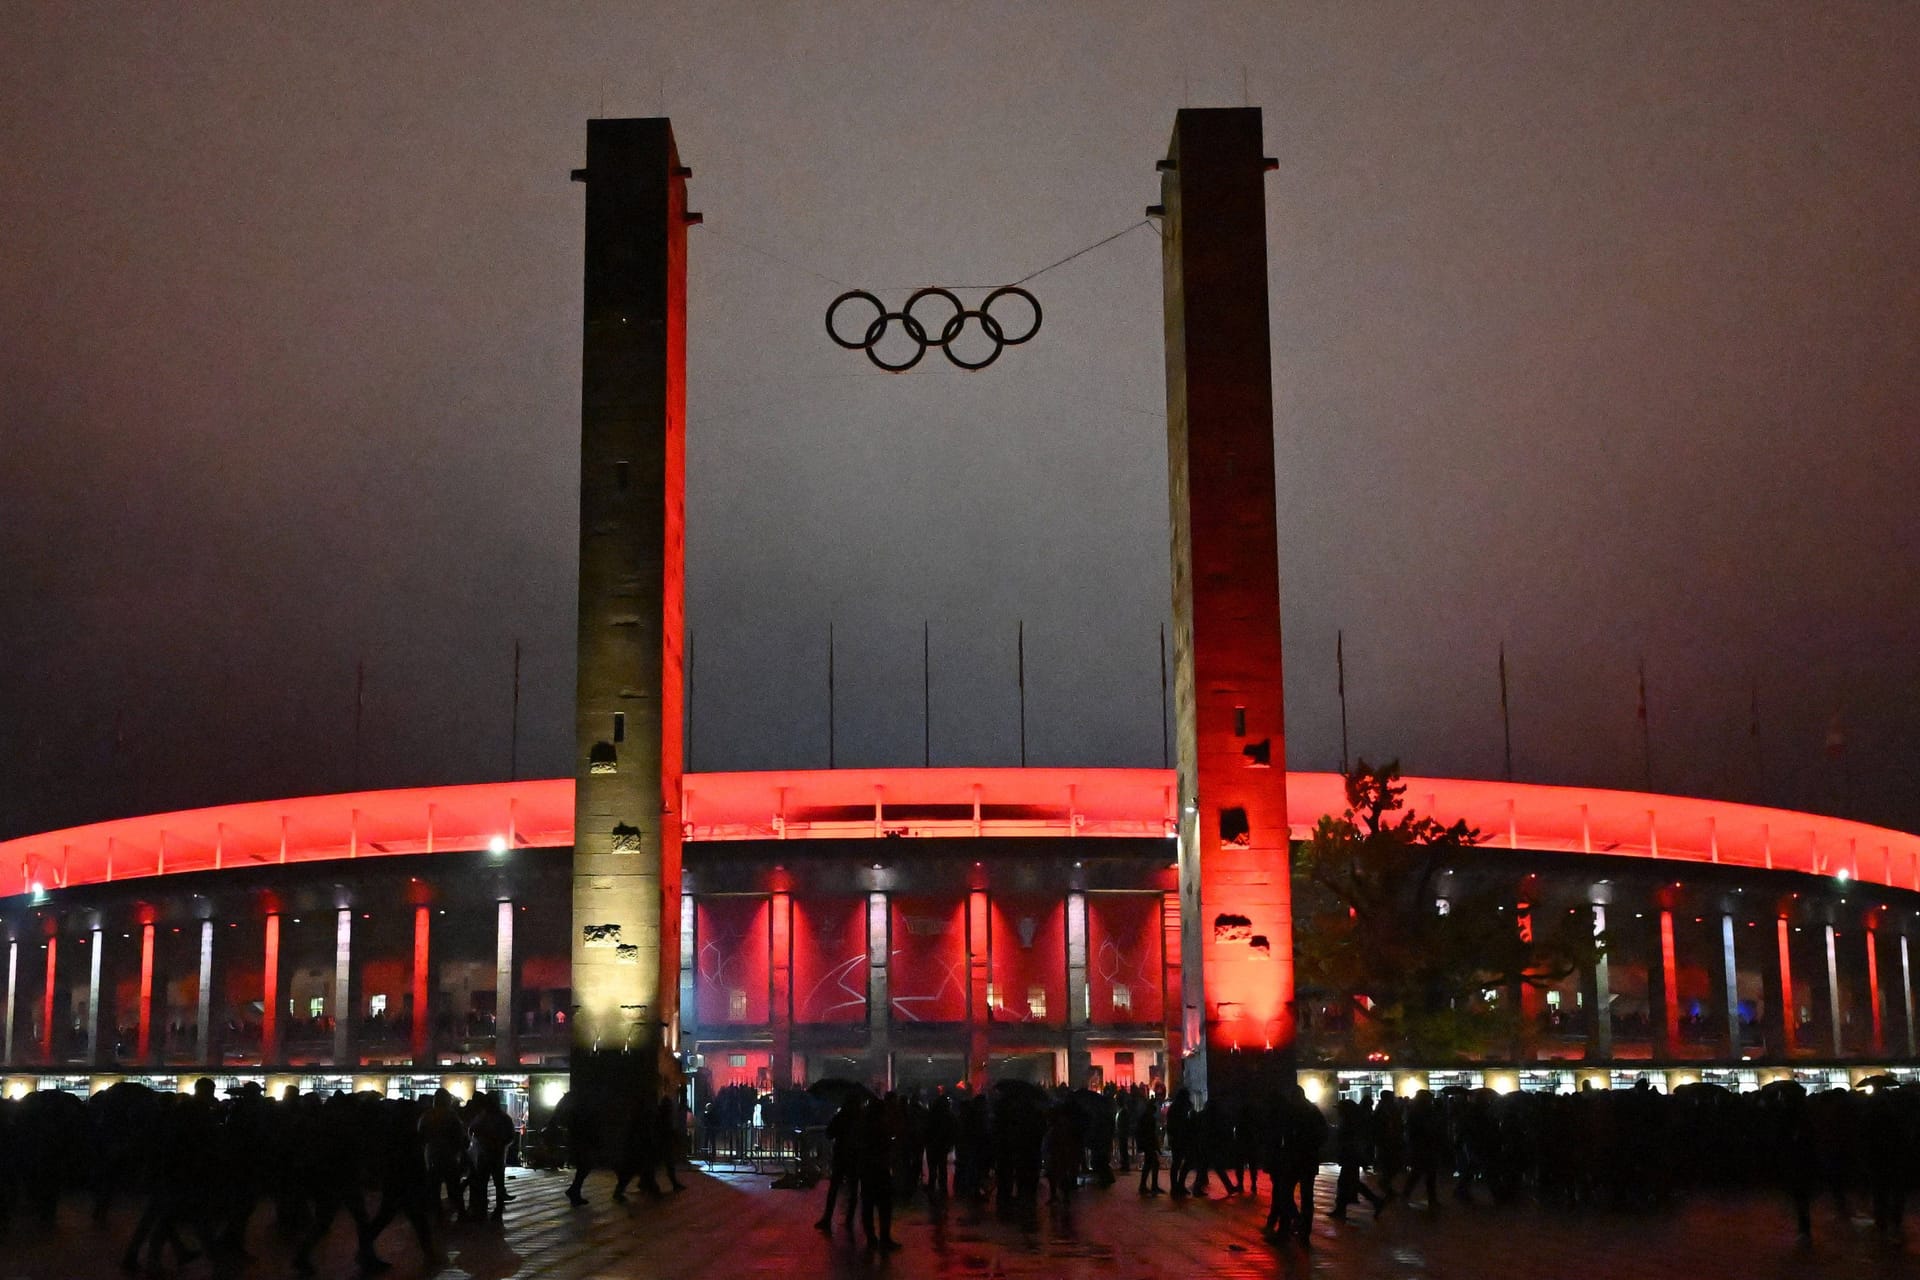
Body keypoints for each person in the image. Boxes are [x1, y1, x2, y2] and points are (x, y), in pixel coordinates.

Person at [815, 1096, 862, 1232]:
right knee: (853, 1188)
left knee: (834, 1187)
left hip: (841, 1155)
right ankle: (849, 1218)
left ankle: (827, 1217)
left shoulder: (841, 1116)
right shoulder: (860, 1118)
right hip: (854, 1155)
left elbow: (829, 1133)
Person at [858, 1095, 899, 1250]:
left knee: (868, 1205)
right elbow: (886, 1147)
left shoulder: (864, 1127)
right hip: (880, 1169)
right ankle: (884, 1237)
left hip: (867, 1169)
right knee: (884, 1205)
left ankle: (871, 1237)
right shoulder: (881, 1127)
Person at [1135, 1095, 1163, 1195]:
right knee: (1152, 1164)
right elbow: (1151, 1134)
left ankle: (1147, 1185)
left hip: (1147, 1144)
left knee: (1150, 1164)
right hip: (1149, 1144)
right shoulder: (1149, 1118)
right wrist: (1156, 1147)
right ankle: (1148, 1186)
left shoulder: (1145, 1117)